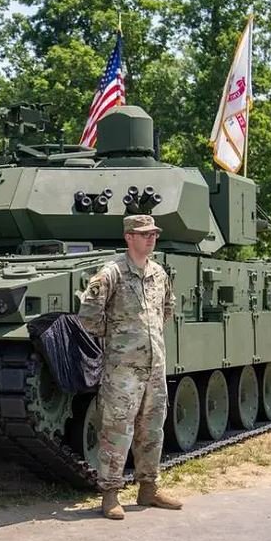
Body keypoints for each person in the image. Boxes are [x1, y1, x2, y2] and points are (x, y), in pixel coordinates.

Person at [77, 214, 182, 520]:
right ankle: (110, 493)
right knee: (117, 429)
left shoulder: (159, 273)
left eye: (154, 234)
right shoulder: (111, 273)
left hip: (154, 366)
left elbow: (167, 309)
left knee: (152, 428)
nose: (151, 238)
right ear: (129, 237)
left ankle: (148, 488)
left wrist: (146, 340)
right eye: (144, 234)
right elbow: (88, 315)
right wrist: (118, 338)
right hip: (122, 369)